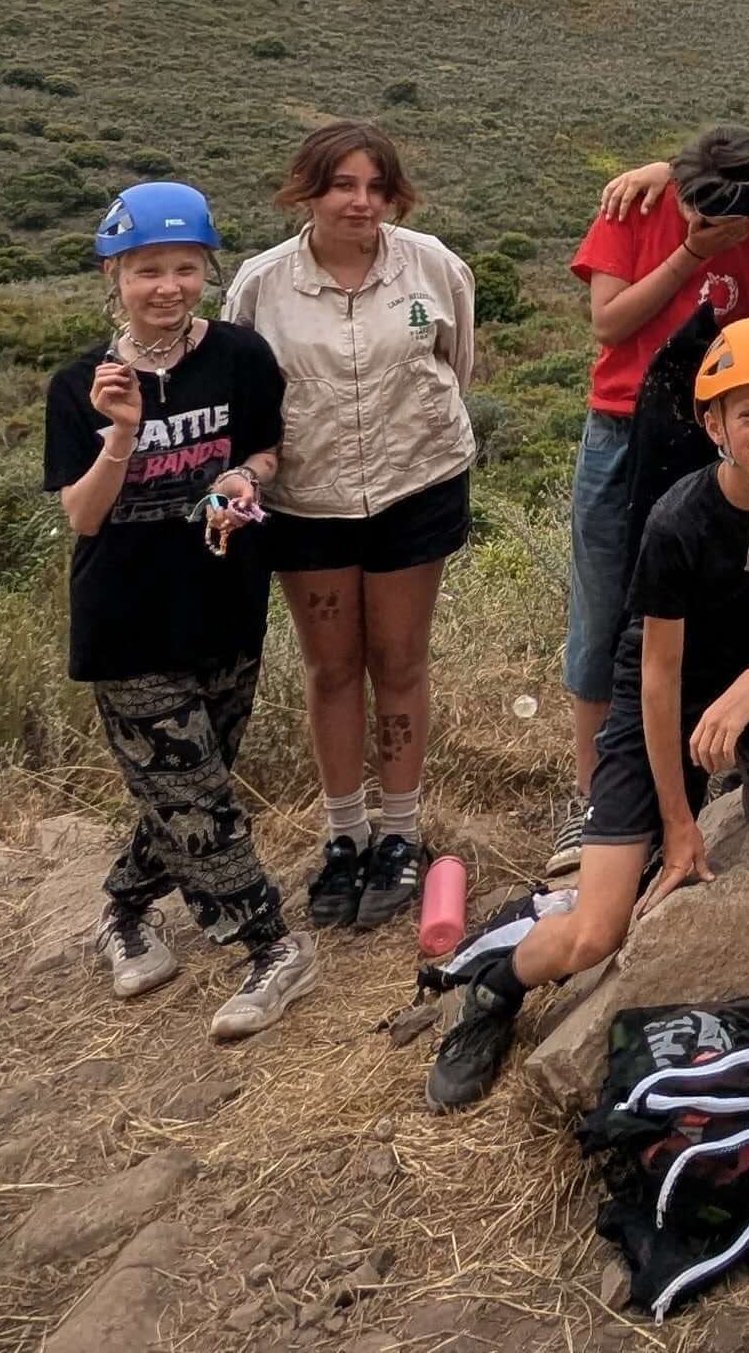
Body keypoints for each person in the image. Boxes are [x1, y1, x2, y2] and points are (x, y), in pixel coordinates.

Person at [426, 318, 749, 1112]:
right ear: (714, 424)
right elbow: (657, 683)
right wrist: (679, 824)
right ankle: (491, 988)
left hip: (741, 685)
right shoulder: (679, 521)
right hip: (663, 709)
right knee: (593, 932)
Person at [42, 182, 313, 1041]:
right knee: (194, 796)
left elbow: (268, 446)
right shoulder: (80, 383)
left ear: (207, 269)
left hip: (226, 604)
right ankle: (272, 945)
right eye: (148, 269)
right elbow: (83, 515)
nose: (168, 285)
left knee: (189, 786)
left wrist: (246, 478)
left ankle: (124, 911)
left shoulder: (238, 355)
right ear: (114, 275)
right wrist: (120, 431)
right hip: (125, 621)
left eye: (185, 267)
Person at [221, 120, 477, 936]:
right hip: (307, 498)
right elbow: (244, 394)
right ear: (308, 191)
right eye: (342, 185)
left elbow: (455, 362)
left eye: (375, 186)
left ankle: (400, 832)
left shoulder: (433, 266)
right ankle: (345, 835)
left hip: (415, 484)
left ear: (393, 195)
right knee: (331, 667)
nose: (360, 201)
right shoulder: (263, 285)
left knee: (400, 659)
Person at [556, 122, 749, 870]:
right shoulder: (634, 209)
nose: (703, 213)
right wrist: (690, 251)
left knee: (701, 614)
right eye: (693, 197)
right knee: (604, 608)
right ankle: (595, 793)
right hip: (621, 429)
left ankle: (685, 776)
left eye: (724, 207)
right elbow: (610, 320)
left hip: (707, 439)